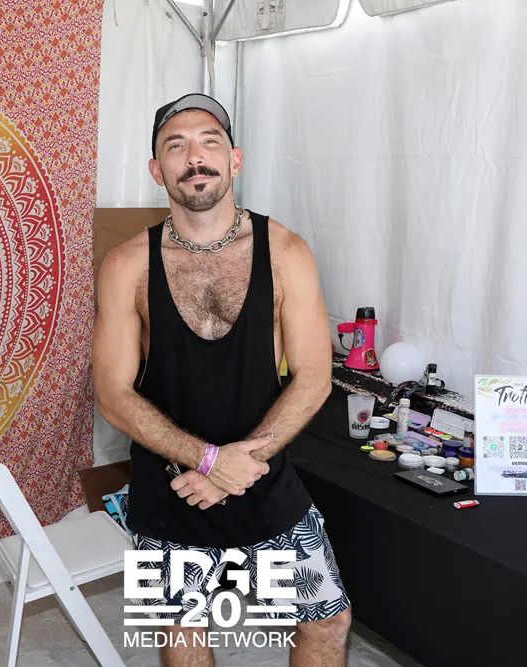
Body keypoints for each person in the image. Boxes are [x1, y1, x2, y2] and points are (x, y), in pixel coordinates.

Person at [93, 93, 351, 667]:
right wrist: (209, 462)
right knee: (183, 632)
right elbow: (111, 394)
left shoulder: (286, 251)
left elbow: (314, 376)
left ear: (235, 160)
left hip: (264, 477)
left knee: (325, 619)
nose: (195, 157)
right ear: (156, 170)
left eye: (210, 142)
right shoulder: (126, 265)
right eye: (176, 146)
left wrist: (237, 468)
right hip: (171, 487)